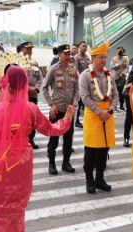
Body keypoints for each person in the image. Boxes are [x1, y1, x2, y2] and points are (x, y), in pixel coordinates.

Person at [0, 65, 74, 232]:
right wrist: (66, 119)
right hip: (21, 164)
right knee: (16, 211)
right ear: (23, 86)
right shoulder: (30, 109)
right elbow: (51, 129)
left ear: (7, 85)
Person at [79, 42, 118, 194]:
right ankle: (89, 179)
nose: (104, 60)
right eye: (101, 57)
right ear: (93, 59)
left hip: (108, 115)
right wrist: (98, 111)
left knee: (104, 150)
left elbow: (115, 95)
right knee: (90, 151)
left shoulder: (109, 75)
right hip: (93, 116)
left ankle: (100, 179)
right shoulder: (85, 75)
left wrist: (111, 110)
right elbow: (85, 97)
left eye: (105, 57)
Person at [42, 44, 79, 175]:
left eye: (69, 54)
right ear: (59, 54)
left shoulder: (73, 70)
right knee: (54, 138)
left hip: (69, 111)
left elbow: (77, 90)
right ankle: (51, 163)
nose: (68, 56)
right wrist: (51, 104)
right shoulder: (53, 69)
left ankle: (66, 162)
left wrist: (74, 105)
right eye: (65, 54)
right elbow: (44, 87)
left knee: (68, 138)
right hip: (56, 110)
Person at [20, 41, 44, 150]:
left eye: (30, 49)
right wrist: (27, 89)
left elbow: (40, 78)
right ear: (22, 50)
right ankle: (22, 140)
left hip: (33, 96)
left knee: (32, 118)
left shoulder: (34, 63)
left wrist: (37, 88)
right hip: (21, 96)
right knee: (22, 119)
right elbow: (15, 81)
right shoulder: (17, 63)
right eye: (27, 49)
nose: (29, 51)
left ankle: (31, 139)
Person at [73, 41, 90, 128]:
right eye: (83, 46)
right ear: (79, 47)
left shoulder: (87, 57)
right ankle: (76, 121)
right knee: (79, 103)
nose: (85, 48)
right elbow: (75, 70)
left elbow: (90, 68)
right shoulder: (76, 57)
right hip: (79, 82)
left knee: (86, 101)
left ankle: (86, 120)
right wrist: (82, 79)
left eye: (86, 46)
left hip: (87, 82)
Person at [110, 47, 129, 111]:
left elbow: (127, 68)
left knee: (121, 92)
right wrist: (119, 64)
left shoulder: (125, 58)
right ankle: (113, 105)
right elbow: (112, 67)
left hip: (122, 77)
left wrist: (123, 73)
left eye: (121, 50)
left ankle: (121, 104)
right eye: (119, 50)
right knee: (114, 91)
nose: (120, 52)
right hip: (115, 77)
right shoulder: (113, 58)